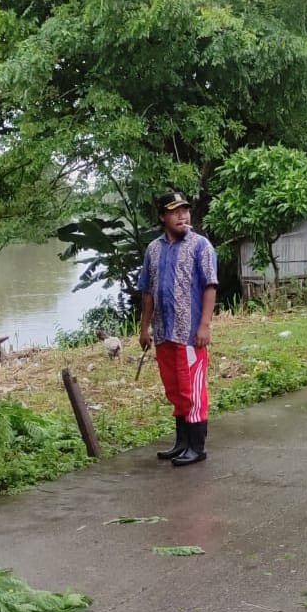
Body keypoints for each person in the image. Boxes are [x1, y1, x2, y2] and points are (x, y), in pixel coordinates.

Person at [137, 190, 219, 466]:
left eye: (185, 210)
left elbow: (210, 286)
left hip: (189, 334)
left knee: (191, 389)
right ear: (163, 217)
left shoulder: (200, 246)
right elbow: (147, 291)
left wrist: (204, 325)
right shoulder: (153, 250)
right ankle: (181, 442)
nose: (182, 216)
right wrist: (144, 328)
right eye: (175, 212)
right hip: (163, 333)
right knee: (173, 389)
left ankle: (196, 446)